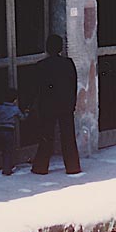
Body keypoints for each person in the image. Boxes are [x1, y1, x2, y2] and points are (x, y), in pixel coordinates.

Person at [30, 34, 82, 175]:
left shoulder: (41, 66)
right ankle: (73, 167)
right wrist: (73, 103)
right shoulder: (68, 63)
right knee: (68, 137)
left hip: (48, 106)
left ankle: (41, 167)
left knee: (46, 136)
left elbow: (36, 88)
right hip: (66, 104)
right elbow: (73, 84)